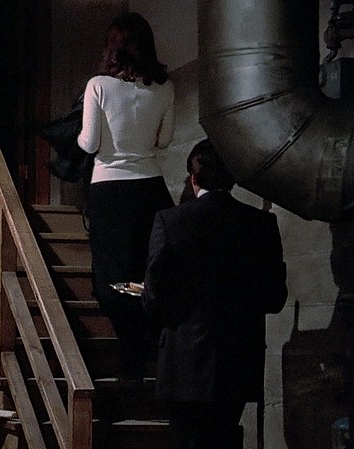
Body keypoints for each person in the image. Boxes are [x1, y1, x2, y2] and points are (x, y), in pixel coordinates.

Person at [142, 139, 288, 449]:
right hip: (239, 356)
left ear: (194, 178)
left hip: (184, 357)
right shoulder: (261, 223)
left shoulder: (170, 221)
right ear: (232, 178)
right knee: (224, 436)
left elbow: (154, 296)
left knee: (186, 438)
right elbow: (274, 298)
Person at [77, 11, 175, 380]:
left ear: (112, 47)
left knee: (111, 278)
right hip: (151, 187)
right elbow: (164, 141)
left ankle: (131, 353)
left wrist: (76, 136)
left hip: (110, 189)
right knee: (147, 273)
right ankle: (149, 349)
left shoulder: (98, 86)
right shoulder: (164, 88)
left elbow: (89, 143)